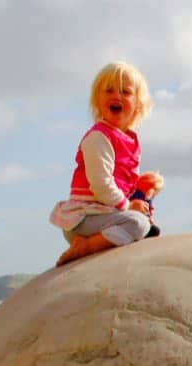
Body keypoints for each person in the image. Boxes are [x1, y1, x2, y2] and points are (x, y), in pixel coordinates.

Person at [49, 61, 163, 267]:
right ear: (97, 101)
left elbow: (124, 186)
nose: (116, 96)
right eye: (108, 90)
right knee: (136, 224)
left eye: (125, 92)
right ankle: (85, 246)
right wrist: (129, 207)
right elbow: (101, 186)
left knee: (145, 225)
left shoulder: (130, 141)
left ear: (138, 104)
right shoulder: (98, 138)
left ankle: (129, 231)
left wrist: (142, 192)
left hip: (107, 215)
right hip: (84, 218)